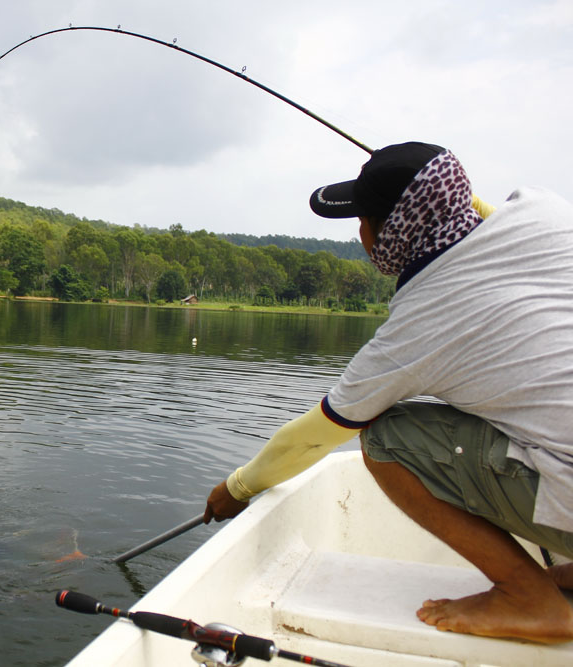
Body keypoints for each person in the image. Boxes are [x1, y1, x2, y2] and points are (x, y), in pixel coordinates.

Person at [203, 142, 573, 644]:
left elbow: (309, 439)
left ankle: (531, 601)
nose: (358, 233)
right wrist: (444, 194)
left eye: (362, 219)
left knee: (384, 435)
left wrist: (236, 488)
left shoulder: (419, 322)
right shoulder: (546, 210)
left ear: (381, 233)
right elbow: (479, 209)